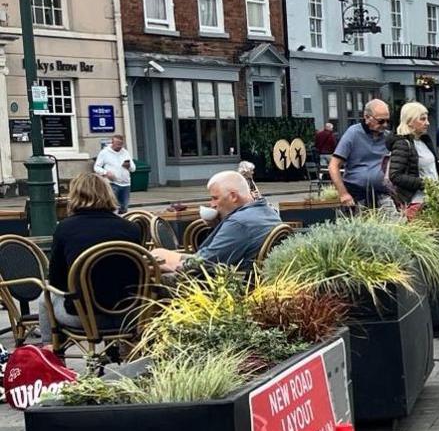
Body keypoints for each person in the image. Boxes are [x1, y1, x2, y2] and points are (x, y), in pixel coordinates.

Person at [47, 172, 140, 333]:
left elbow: (56, 281)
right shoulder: (130, 228)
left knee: (45, 298)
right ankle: (120, 349)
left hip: (83, 316)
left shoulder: (65, 228)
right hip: (128, 314)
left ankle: (50, 349)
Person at [151, 170, 282, 275]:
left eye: (215, 198)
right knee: (158, 254)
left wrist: (173, 266)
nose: (212, 204)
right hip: (254, 274)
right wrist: (218, 225)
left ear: (233, 196)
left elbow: (204, 262)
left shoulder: (238, 223)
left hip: (227, 282)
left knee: (151, 261)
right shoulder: (268, 210)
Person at [330, 99, 391, 210]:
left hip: (382, 194)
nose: (385, 125)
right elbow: (333, 166)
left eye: (387, 121)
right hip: (357, 195)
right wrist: (343, 194)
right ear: (367, 117)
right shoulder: (353, 133)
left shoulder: (388, 137)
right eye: (381, 121)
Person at [388, 102, 438, 207]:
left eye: (427, 119)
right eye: (422, 119)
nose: (427, 123)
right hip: (416, 201)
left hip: (432, 199)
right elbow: (395, 176)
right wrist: (423, 183)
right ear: (410, 121)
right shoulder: (402, 143)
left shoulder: (424, 141)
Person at [93, 134, 134, 213]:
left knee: (124, 207)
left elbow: (133, 168)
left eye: (121, 144)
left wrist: (129, 166)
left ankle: (123, 223)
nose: (119, 147)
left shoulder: (125, 152)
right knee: (113, 206)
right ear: (112, 143)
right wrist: (106, 172)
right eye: (117, 144)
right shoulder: (104, 153)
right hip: (112, 183)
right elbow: (96, 167)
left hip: (126, 184)